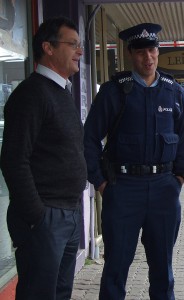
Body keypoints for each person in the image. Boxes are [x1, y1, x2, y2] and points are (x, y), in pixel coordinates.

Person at [83, 23, 184, 300]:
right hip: (123, 189)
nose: (148, 57)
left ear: (158, 52)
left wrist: (179, 177)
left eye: (152, 50)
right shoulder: (113, 92)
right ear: (131, 53)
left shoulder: (174, 92)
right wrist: (101, 182)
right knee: (116, 268)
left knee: (162, 269)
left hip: (164, 189)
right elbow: (89, 139)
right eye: (141, 51)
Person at [0, 17, 86, 300]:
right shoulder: (30, 95)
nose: (80, 51)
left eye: (80, 45)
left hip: (69, 214)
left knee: (60, 293)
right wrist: (37, 216)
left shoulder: (62, 93)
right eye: (72, 44)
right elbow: (14, 160)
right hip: (45, 218)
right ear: (48, 48)